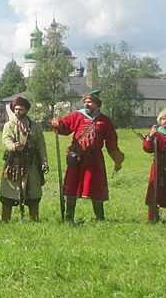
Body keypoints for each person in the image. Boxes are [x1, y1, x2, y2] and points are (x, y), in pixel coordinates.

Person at [51, 90, 124, 221]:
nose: (87, 104)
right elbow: (65, 127)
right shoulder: (77, 116)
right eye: (85, 102)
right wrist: (58, 124)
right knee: (71, 187)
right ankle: (68, 217)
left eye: (90, 102)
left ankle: (100, 218)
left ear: (97, 104)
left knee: (96, 188)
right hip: (77, 157)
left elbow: (111, 142)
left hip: (94, 159)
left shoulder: (105, 121)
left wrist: (117, 159)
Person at [0, 96, 48, 222]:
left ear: (26, 110)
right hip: (14, 164)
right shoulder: (9, 125)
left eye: (20, 109)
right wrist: (13, 146)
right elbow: (6, 139)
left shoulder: (35, 127)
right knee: (8, 195)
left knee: (34, 195)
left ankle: (34, 220)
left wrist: (44, 162)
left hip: (31, 164)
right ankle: (5, 220)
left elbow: (41, 145)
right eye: (16, 109)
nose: (17, 112)